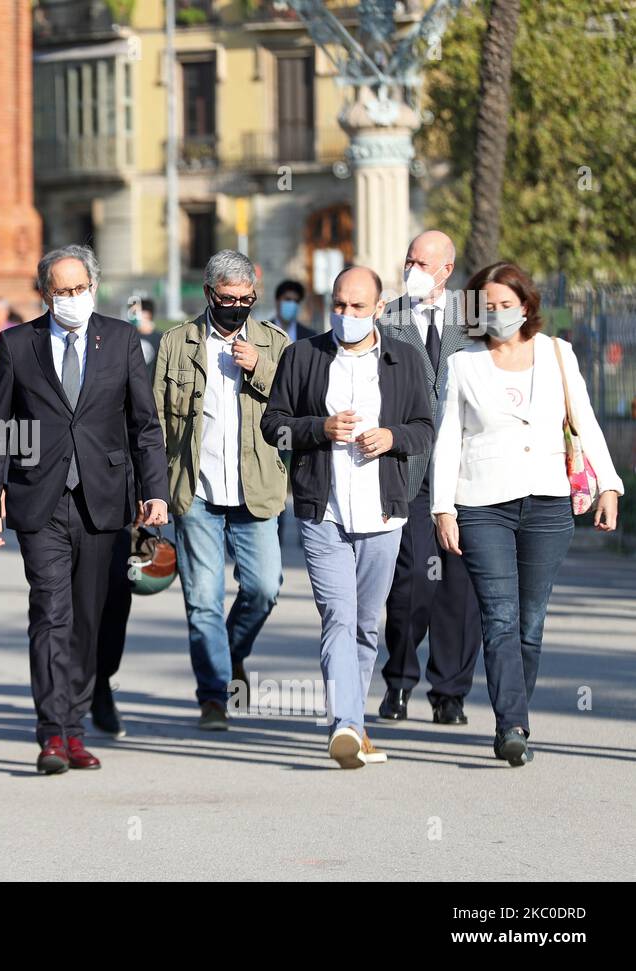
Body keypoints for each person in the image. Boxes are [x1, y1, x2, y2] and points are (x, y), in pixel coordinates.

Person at [0, 244, 168, 774]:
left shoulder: (122, 339)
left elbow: (145, 426)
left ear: (94, 287)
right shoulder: (18, 344)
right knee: (50, 615)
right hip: (41, 500)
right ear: (44, 295)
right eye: (61, 291)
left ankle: (76, 727)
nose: (72, 298)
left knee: (89, 619)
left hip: (104, 501)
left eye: (79, 289)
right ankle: (52, 735)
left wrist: (156, 492)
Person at [432, 261, 623, 766]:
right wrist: (442, 507)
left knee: (530, 622)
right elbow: (448, 437)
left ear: (526, 305)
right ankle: (511, 724)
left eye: (506, 304)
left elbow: (585, 421)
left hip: (547, 500)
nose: (498, 314)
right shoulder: (463, 364)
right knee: (499, 616)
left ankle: (514, 709)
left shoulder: (559, 354)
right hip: (481, 503)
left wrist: (610, 485)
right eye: (488, 307)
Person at [261, 266, 433, 769]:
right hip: (322, 512)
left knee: (364, 625)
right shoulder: (303, 357)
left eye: (358, 307)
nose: (347, 315)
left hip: (383, 515)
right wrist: (321, 428)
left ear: (380, 308)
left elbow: (425, 429)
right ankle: (347, 726)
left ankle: (355, 726)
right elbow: (276, 428)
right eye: (339, 305)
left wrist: (391, 439)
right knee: (338, 617)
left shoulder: (404, 360)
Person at [152, 250, 289, 731]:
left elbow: (296, 409)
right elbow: (154, 425)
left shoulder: (275, 343)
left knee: (264, 587)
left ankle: (231, 655)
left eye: (246, 298)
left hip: (257, 490)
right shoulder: (176, 343)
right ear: (209, 293)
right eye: (228, 298)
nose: (237, 306)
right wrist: (148, 494)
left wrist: (261, 369)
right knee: (203, 600)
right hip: (196, 491)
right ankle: (213, 694)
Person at [377, 230, 482, 725]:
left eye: (423, 263)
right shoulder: (387, 318)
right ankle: (398, 681)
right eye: (409, 260)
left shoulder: (477, 315)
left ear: (447, 269)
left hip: (465, 472)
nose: (412, 268)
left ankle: (450, 693)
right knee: (415, 579)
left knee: (458, 587)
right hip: (411, 470)